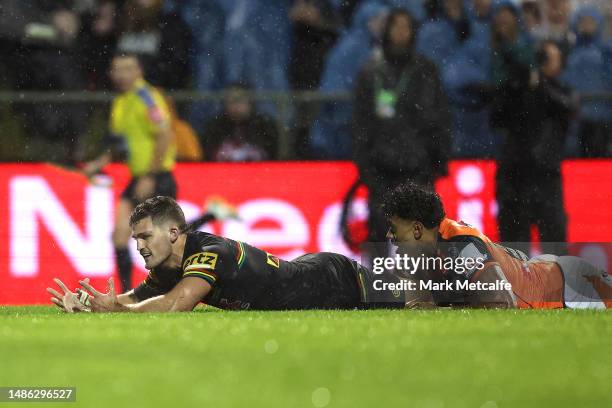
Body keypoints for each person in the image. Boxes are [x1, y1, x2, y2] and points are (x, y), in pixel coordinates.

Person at [48, 196, 405, 313]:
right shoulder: (170, 266)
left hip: (333, 279)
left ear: (173, 232)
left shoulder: (208, 253)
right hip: (308, 277)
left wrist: (120, 310)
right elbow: (136, 299)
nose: (138, 245)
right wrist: (94, 305)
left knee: (428, 300)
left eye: (144, 236)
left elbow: (175, 304)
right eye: (135, 238)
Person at [382, 183, 612, 309]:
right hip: (544, 272)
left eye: (394, 227)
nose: (388, 234)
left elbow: (501, 305)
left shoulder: (462, 247)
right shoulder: (417, 255)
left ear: (417, 230)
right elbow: (415, 307)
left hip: (568, 286)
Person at [353, 8, 451, 262]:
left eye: (405, 26)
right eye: (395, 26)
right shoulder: (371, 72)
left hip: (418, 167)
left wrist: (437, 162)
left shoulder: (426, 71)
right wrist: (365, 168)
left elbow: (440, 119)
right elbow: (360, 123)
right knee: (378, 233)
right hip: (381, 169)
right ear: (386, 30)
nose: (400, 32)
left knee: (421, 236)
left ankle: (423, 290)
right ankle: (376, 293)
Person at [84, 53, 176, 294]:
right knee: (119, 236)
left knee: (164, 241)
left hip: (157, 177)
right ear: (111, 74)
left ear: (139, 72)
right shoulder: (120, 102)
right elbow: (119, 146)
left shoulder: (147, 97)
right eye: (117, 69)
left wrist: (150, 175)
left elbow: (165, 135)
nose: (122, 74)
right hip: (137, 178)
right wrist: (99, 162)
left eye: (128, 69)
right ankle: (127, 294)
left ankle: (170, 291)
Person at [200, 82, 279, 162]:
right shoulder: (214, 128)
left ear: (250, 102)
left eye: (239, 100)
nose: (235, 106)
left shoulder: (264, 127)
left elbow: (275, 158)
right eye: (231, 101)